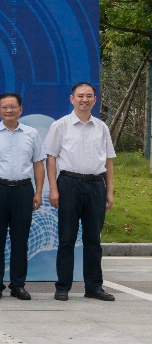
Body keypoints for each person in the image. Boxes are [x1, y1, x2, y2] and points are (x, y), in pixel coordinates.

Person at [46, 82, 117, 302]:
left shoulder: (101, 127)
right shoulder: (60, 126)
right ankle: (63, 287)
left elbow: (108, 160)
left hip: (96, 185)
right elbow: (51, 158)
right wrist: (53, 189)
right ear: (72, 99)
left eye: (89, 96)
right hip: (69, 184)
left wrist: (109, 191)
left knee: (93, 239)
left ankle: (94, 287)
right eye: (80, 96)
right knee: (66, 238)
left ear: (95, 99)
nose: (84, 100)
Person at [0, 92, 45, 301]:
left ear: (20, 109)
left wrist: (38, 191)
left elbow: (38, 163)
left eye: (13, 107)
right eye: (5, 107)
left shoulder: (31, 133)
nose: (9, 110)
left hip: (23, 190)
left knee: (20, 239)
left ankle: (18, 285)